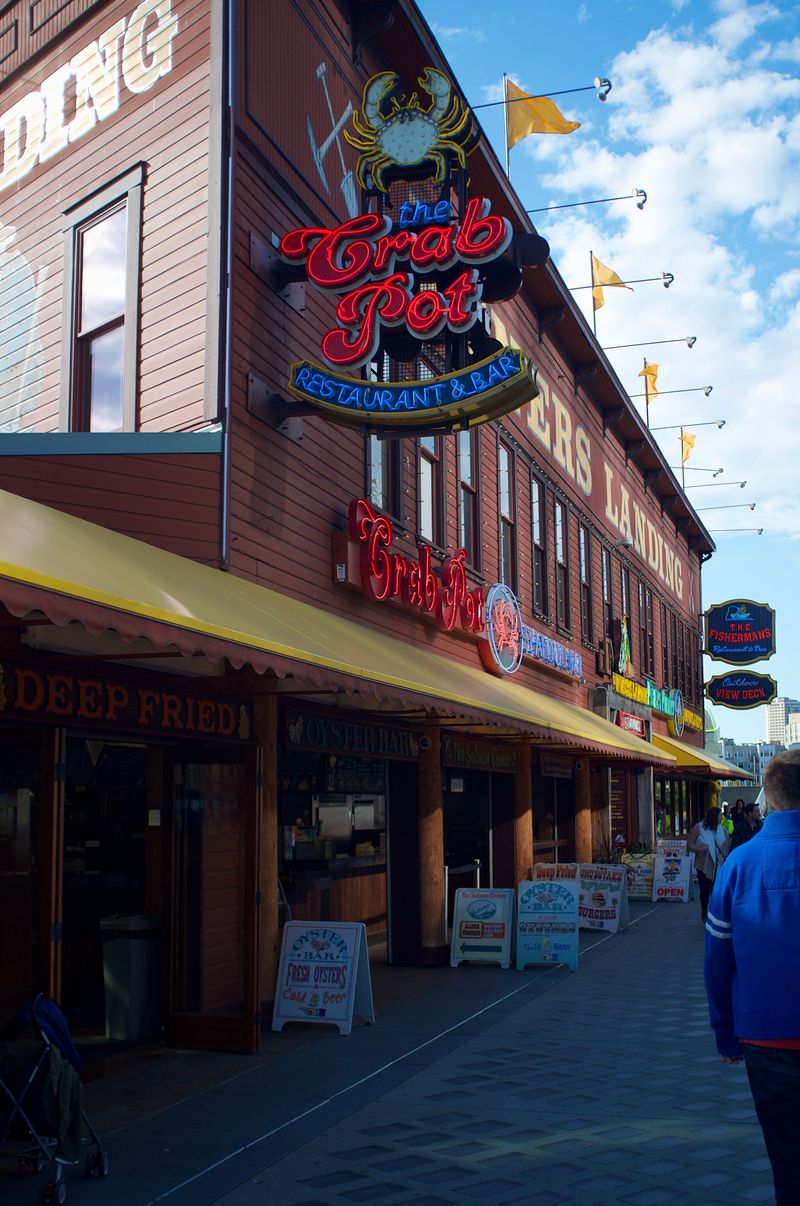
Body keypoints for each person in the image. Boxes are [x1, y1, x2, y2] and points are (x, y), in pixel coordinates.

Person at [704, 750, 800, 1205]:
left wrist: (725, 1034)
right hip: (768, 1037)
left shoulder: (739, 864)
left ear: (770, 800)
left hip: (765, 1036)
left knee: (787, 1156)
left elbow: (717, 960)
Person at [687, 806, 729, 923]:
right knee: (704, 892)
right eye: (720, 815)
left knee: (717, 892)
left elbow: (728, 847)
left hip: (720, 865)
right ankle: (704, 908)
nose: (722, 818)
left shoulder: (723, 830)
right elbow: (689, 844)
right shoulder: (699, 827)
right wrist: (698, 848)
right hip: (704, 864)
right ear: (714, 817)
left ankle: (715, 914)